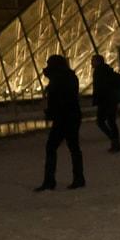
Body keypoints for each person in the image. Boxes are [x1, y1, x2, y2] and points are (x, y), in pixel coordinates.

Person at [35, 54, 85, 191]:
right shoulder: (69, 76)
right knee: (73, 148)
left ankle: (50, 181)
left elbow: (58, 98)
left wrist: (51, 112)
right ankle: (78, 178)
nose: (46, 67)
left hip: (64, 117)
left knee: (52, 147)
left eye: (49, 64)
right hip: (71, 116)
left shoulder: (59, 78)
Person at [90, 54, 120, 153]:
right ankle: (115, 141)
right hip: (111, 100)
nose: (91, 63)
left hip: (105, 100)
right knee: (111, 121)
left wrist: (97, 99)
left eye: (92, 60)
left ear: (98, 61)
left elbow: (101, 87)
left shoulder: (99, 72)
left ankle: (115, 141)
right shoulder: (106, 70)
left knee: (102, 121)